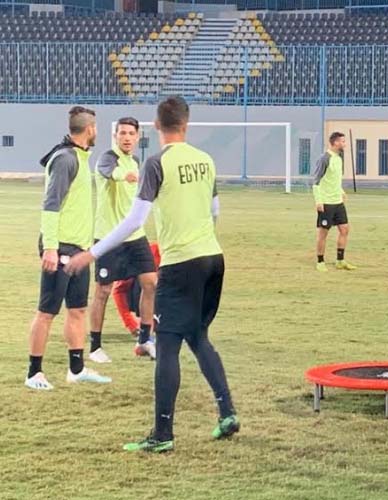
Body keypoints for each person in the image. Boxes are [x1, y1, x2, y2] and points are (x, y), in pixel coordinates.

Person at [67, 96, 239, 452]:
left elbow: (134, 220)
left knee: (168, 346)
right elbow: (215, 209)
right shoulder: (206, 160)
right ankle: (227, 412)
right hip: (213, 258)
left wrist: (93, 252)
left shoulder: (156, 163)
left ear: (157, 126)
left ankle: (162, 434)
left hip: (181, 263)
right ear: (186, 124)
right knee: (199, 337)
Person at [25, 106, 111, 390]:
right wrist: (50, 247)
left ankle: (76, 369)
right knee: (47, 311)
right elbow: (51, 204)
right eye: (96, 127)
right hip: (60, 247)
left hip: (79, 250)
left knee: (77, 310)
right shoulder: (65, 159)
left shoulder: (80, 157)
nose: (97, 131)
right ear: (90, 129)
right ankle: (34, 373)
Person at [88, 117, 158, 363]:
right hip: (109, 237)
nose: (126, 137)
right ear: (115, 136)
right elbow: (110, 172)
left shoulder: (136, 161)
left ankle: (144, 340)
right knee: (103, 290)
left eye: (131, 133)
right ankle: (95, 347)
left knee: (150, 282)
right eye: (122, 133)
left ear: (137, 137)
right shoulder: (107, 158)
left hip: (134, 235)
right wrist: (123, 175)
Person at [313, 132, 356, 272]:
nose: (345, 144)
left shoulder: (339, 158)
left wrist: (341, 191)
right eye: (342, 141)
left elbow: (335, 179)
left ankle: (340, 261)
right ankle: (320, 261)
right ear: (335, 142)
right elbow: (316, 181)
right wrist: (318, 201)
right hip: (326, 203)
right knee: (323, 233)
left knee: (344, 229)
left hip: (338, 202)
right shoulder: (324, 159)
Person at [112, 242, 161, 337]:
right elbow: (119, 290)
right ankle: (146, 323)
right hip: (140, 291)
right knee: (147, 282)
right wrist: (130, 324)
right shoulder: (146, 255)